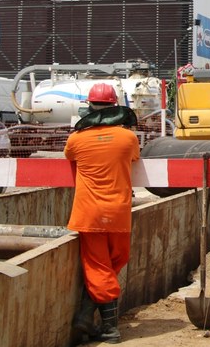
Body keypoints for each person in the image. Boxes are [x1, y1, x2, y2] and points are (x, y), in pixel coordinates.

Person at [66, 82, 140, 344]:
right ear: (115, 108)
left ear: (89, 107)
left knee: (99, 268)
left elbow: (70, 158)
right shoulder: (129, 139)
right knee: (114, 262)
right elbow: (133, 158)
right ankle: (90, 318)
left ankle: (107, 328)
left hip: (90, 214)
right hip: (119, 213)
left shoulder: (75, 140)